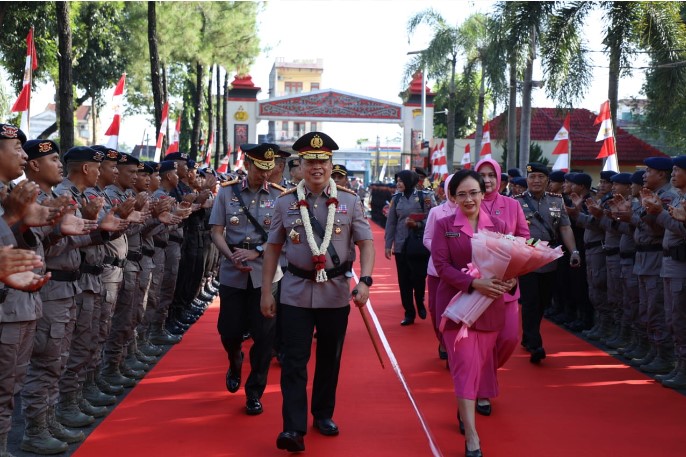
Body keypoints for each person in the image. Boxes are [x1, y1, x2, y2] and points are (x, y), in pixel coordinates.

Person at [260, 131, 374, 453]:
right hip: (295, 292)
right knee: (294, 360)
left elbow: (366, 243)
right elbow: (272, 249)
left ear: (330, 163)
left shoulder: (350, 201)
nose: (316, 166)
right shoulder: (284, 202)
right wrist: (267, 291)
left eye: (322, 160)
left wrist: (365, 280)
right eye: (310, 160)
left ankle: (323, 414)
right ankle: (293, 429)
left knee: (329, 359)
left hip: (335, 293)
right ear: (299, 165)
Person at [432, 169, 517, 457]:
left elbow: (511, 263)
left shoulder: (499, 225)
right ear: (453, 198)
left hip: (490, 306)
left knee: (479, 365)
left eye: (474, 192)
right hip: (458, 308)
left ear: (484, 193)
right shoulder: (444, 225)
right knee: (465, 366)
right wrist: (473, 282)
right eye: (461, 194)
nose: (468, 199)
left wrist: (512, 278)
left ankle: (464, 409)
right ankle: (472, 436)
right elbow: (442, 267)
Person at [209, 143, 284, 416]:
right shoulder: (226, 193)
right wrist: (232, 257)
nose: (264, 175)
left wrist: (256, 252)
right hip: (233, 274)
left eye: (269, 169)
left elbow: (284, 238)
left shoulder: (280, 196)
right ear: (247, 166)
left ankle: (254, 392)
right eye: (259, 169)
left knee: (264, 339)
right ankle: (234, 358)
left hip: (266, 276)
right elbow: (217, 231)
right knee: (228, 331)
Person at [474, 158, 529, 415]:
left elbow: (524, 238)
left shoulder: (512, 205)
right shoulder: (467, 203)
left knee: (509, 338)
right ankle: (483, 390)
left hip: (507, 284)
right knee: (484, 341)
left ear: (499, 178)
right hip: (479, 284)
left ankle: (484, 374)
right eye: (482, 175)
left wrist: (516, 269)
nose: (487, 180)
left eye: (491, 175)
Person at [515, 163, 580, 363]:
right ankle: (536, 344)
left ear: (547, 180)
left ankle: (528, 336)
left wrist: (574, 251)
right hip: (527, 256)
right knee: (530, 300)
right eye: (532, 177)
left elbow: (565, 228)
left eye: (540, 177)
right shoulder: (515, 202)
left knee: (543, 300)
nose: (536, 181)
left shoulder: (556, 201)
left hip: (551, 257)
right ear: (527, 179)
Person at [385, 170, 435, 325]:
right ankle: (409, 312)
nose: (398, 183)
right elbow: (391, 223)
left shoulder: (424, 197)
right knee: (404, 280)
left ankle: (419, 302)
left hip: (418, 244)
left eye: (401, 181)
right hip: (401, 245)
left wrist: (418, 224)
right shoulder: (396, 199)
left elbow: (435, 218)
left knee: (418, 277)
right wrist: (388, 244)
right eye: (397, 181)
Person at [423, 174, 455, 359]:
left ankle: (452, 346)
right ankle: (442, 341)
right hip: (437, 270)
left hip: (462, 270)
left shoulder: (471, 211)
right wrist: (442, 252)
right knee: (436, 310)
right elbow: (427, 238)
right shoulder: (436, 212)